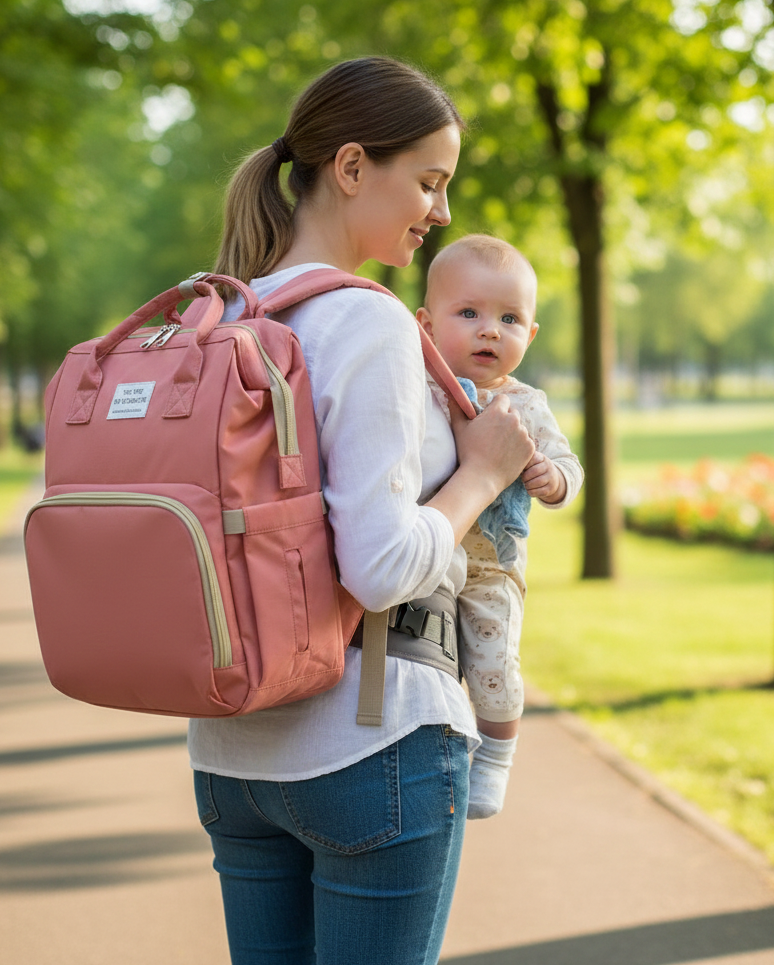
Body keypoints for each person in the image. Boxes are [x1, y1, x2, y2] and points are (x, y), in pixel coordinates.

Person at [187, 58, 535, 965]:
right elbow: (378, 566)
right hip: (369, 739)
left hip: (231, 750)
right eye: (428, 181)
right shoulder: (372, 321)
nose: (442, 212)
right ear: (350, 168)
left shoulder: (224, 310)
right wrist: (482, 476)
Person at [416, 234, 584, 819]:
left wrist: (551, 478)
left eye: (510, 319)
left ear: (529, 334)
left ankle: (496, 757)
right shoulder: (418, 387)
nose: (490, 330)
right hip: (430, 553)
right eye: (469, 313)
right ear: (426, 322)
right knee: (428, 669)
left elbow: (569, 465)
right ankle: (445, 744)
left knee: (492, 664)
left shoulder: (527, 404)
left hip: (491, 564)